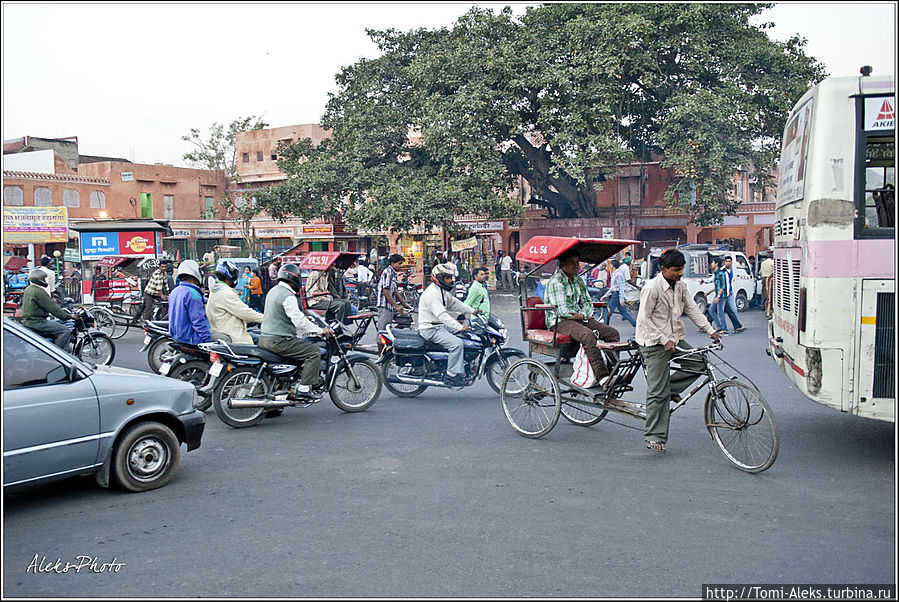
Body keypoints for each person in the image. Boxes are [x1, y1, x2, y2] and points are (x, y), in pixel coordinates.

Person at [636, 248, 721, 453]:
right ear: (663, 268)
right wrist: (664, 339)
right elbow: (644, 320)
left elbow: (692, 309)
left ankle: (671, 389)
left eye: (681, 269)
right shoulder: (652, 288)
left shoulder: (681, 286)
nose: (680, 273)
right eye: (675, 270)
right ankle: (654, 435)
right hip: (653, 341)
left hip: (675, 338)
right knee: (657, 392)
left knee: (698, 363)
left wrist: (710, 330)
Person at [543, 250, 621, 385]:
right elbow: (563, 311)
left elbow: (587, 303)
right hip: (559, 320)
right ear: (562, 264)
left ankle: (612, 372)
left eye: (577, 262)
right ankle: (602, 378)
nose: (576, 266)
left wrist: (583, 315)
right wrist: (580, 315)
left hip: (579, 317)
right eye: (572, 263)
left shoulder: (578, 280)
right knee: (588, 336)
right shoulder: (556, 281)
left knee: (612, 333)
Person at [259, 263, 333, 401]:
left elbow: (286, 316)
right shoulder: (288, 296)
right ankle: (304, 389)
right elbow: (298, 320)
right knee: (313, 352)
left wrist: (307, 322)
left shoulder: (273, 291)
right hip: (279, 340)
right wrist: (319, 330)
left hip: (265, 338)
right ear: (292, 278)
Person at [418, 263, 476, 387]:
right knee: (457, 344)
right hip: (431, 329)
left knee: (466, 336)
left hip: (438, 326)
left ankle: (461, 365)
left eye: (451, 278)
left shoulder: (442, 291)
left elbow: (455, 303)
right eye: (447, 278)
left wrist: (472, 310)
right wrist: (460, 326)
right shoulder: (433, 294)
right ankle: (452, 375)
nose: (450, 281)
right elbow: (442, 315)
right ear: (438, 278)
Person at [206, 260, 264, 344]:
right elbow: (244, 312)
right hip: (235, 337)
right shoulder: (225, 293)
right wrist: (265, 318)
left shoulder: (215, 290)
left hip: (224, 330)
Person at [21, 269, 74, 350]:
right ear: (38, 279)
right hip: (37, 322)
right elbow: (53, 308)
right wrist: (69, 316)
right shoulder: (38, 292)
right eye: (43, 279)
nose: (45, 281)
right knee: (65, 331)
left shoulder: (29, 289)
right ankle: (59, 355)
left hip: (29, 321)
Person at [168, 260, 212, 345]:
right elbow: (198, 320)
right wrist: (207, 340)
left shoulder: (175, 291)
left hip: (177, 336)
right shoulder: (193, 293)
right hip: (191, 339)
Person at [376, 253, 412, 331]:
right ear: (392, 263)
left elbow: (395, 291)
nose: (401, 266)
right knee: (383, 330)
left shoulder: (394, 274)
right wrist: (396, 306)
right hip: (385, 306)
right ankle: (381, 342)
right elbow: (386, 291)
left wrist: (404, 304)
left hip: (391, 306)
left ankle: (392, 333)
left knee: (407, 320)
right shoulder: (387, 272)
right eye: (399, 263)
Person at [715, 256, 746, 334]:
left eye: (729, 261)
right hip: (723, 293)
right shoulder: (722, 271)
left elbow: (729, 283)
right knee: (717, 310)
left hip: (729, 292)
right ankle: (720, 326)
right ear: (724, 262)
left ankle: (738, 326)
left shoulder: (731, 271)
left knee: (733, 309)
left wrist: (729, 291)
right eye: (727, 261)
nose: (728, 263)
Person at [605, 258, 637, 327]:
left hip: (616, 295)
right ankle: (635, 324)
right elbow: (613, 287)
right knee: (624, 312)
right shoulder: (614, 273)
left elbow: (620, 287)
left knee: (608, 312)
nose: (609, 265)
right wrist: (605, 295)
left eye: (610, 264)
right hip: (615, 294)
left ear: (613, 265)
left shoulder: (618, 274)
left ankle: (604, 326)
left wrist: (621, 299)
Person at [759, 251, 774, 319]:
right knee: (770, 295)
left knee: (764, 293)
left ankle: (764, 306)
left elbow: (760, 272)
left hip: (763, 278)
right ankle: (768, 312)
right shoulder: (773, 262)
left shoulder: (763, 263)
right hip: (770, 279)